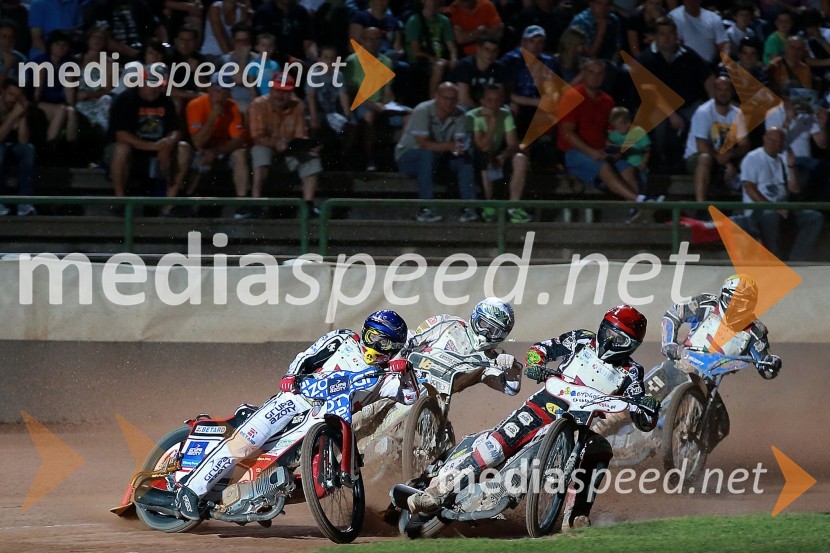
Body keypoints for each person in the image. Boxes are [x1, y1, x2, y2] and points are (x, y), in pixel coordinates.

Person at [144, 310, 418, 521]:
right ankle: (188, 493)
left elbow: (411, 397)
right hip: (295, 398)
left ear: (394, 349)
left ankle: (261, 493)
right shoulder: (343, 339)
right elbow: (308, 356)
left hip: (323, 418)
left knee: (286, 459)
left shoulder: (387, 377)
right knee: (245, 442)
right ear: (365, 332)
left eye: (385, 344)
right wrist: (291, 376)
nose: (376, 347)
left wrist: (405, 371)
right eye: (373, 338)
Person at [406, 305, 659, 530]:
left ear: (632, 345)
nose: (610, 339)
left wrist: (647, 408)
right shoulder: (581, 339)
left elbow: (642, 416)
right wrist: (536, 362)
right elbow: (543, 348)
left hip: (580, 425)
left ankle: (576, 516)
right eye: (609, 331)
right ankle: (436, 492)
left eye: (619, 338)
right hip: (542, 405)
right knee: (496, 446)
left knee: (600, 448)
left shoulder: (631, 371)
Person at [355, 298, 522, 460]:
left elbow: (511, 388)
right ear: (475, 318)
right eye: (485, 326)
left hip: (437, 402)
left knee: (420, 447)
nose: (487, 334)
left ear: (503, 335)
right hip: (404, 377)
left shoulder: (491, 360)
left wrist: (512, 367)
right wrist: (397, 358)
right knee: (364, 412)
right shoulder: (447, 323)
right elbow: (411, 338)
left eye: (495, 332)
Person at [659, 274, 782, 450]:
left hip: (710, 380)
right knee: (645, 391)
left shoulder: (756, 332)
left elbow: (766, 366)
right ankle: (609, 420)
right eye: (734, 300)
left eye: (743, 303)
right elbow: (673, 314)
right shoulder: (707, 304)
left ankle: (690, 459)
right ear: (724, 296)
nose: (738, 307)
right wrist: (669, 344)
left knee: (720, 427)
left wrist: (771, 363)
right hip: (680, 364)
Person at [395, 81, 477, 223]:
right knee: (426, 154)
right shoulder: (423, 110)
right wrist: (451, 146)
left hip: (439, 157)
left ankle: (469, 208)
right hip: (410, 157)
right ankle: (426, 209)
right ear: (436, 97)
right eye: (445, 98)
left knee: (465, 160)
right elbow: (423, 143)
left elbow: (458, 143)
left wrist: (459, 148)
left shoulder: (460, 114)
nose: (449, 103)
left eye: (453, 99)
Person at [739, 127, 824, 262]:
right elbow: (750, 189)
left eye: (779, 142)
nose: (776, 145)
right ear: (765, 139)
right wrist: (773, 208)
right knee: (771, 216)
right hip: (760, 211)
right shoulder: (753, 158)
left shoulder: (783, 159)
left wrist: (791, 167)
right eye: (773, 141)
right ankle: (774, 260)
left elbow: (794, 189)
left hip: (784, 210)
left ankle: (797, 259)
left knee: (814, 217)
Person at [247, 73, 323, 215]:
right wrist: (275, 143)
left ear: (291, 93)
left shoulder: (298, 105)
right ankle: (255, 202)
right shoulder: (258, 105)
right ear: (270, 90)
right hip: (266, 153)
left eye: (285, 92)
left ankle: (308, 205)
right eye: (277, 91)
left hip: (288, 154)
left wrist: (306, 144)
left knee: (312, 157)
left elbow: (300, 135)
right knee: (260, 150)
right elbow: (257, 137)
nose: (280, 96)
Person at [467, 84, 531, 223]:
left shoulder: (506, 114)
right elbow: (482, 145)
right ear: (482, 101)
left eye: (497, 100)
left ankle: (513, 208)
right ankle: (488, 206)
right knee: (485, 158)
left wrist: (503, 156)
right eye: (489, 100)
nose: (494, 104)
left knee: (520, 158)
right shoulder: (473, 116)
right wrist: (493, 122)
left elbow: (512, 144)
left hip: (498, 154)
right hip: (477, 157)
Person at [185, 72, 249, 203]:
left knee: (240, 155)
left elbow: (238, 139)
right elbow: (197, 142)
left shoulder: (232, 106)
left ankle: (242, 202)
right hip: (200, 148)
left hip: (221, 149)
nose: (220, 95)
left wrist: (216, 152)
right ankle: (186, 201)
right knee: (198, 157)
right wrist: (213, 116)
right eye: (217, 90)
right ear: (209, 89)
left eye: (225, 91)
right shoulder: (196, 104)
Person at [683, 76, 748, 203]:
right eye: (719, 89)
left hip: (726, 156)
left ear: (732, 92)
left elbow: (744, 144)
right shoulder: (704, 112)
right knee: (705, 157)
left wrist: (729, 156)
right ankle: (700, 204)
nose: (723, 93)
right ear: (714, 91)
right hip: (697, 157)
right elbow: (702, 146)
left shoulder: (737, 114)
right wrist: (726, 162)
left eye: (726, 89)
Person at [0, 79, 35, 216]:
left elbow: (23, 140)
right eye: (11, 94)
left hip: (10, 149)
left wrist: (23, 115)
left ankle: (24, 203)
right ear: (2, 92)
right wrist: (13, 116)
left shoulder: (18, 108)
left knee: (29, 149)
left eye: (17, 96)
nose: (13, 100)